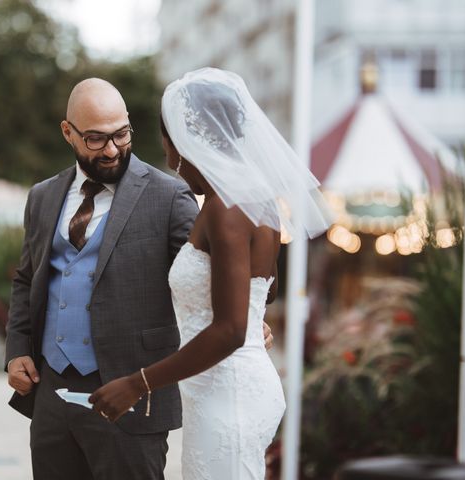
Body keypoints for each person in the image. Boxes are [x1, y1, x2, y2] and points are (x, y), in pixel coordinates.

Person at [5, 77, 274, 480]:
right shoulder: (42, 197)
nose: (112, 149)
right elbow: (26, 279)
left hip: (132, 400)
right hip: (51, 394)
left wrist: (249, 320)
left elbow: (218, 272)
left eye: (121, 134)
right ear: (68, 132)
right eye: (95, 139)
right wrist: (17, 348)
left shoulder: (170, 196)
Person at [89, 68, 332, 479]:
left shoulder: (227, 209)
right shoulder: (256, 201)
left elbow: (231, 329)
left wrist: (139, 382)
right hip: (226, 389)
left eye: (165, 140)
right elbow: (264, 291)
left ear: (182, 141)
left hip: (230, 395)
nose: (166, 154)